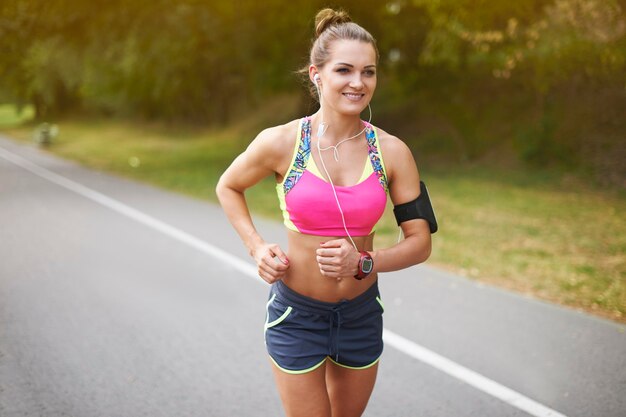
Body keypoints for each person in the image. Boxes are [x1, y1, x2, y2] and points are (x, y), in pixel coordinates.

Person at [216, 8, 435, 417]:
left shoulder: (392, 151)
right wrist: (257, 247)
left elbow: (420, 243)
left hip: (360, 313)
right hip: (297, 313)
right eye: (344, 70)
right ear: (317, 74)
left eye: (368, 72)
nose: (358, 82)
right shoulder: (281, 142)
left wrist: (364, 262)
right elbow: (228, 186)